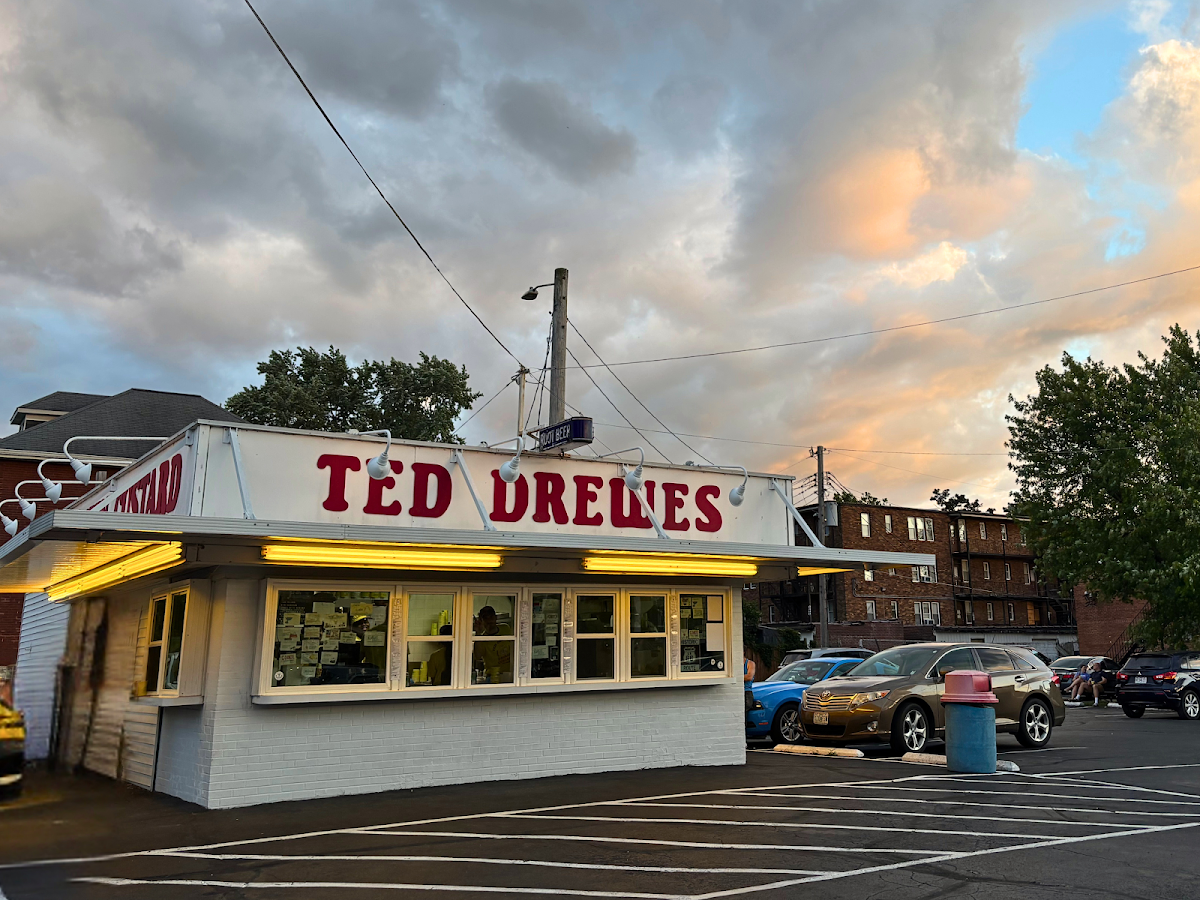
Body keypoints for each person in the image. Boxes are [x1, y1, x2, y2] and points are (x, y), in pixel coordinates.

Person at [744, 650, 757, 723]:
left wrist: (738, 677)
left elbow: (749, 677)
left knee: (745, 712)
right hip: (737, 692)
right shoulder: (734, 664)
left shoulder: (750, 663)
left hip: (747, 692)